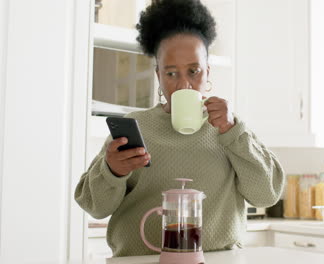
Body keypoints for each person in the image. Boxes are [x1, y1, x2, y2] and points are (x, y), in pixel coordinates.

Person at [75, 0, 285, 257]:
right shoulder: (135, 127)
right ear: (158, 76)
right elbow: (93, 206)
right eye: (171, 73)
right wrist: (112, 171)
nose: (184, 84)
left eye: (194, 71)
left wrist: (234, 131)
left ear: (208, 73)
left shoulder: (230, 128)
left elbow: (267, 195)